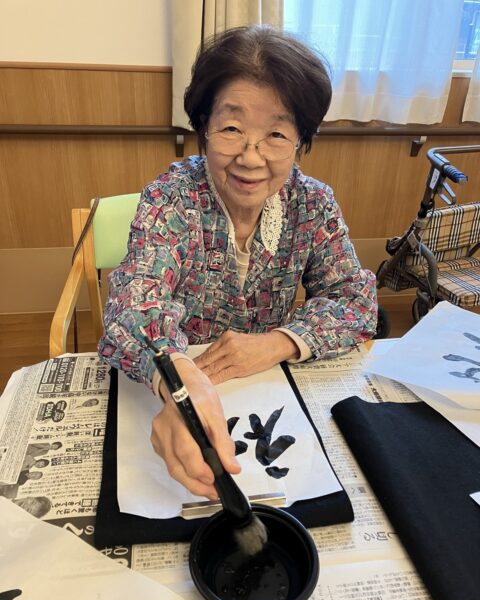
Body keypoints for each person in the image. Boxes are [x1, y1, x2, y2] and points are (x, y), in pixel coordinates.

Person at [99, 26, 377, 502]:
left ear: (300, 141)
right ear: (203, 128)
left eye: (276, 134)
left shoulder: (312, 204)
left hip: (271, 399)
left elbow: (355, 300)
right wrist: (178, 379)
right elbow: (133, 307)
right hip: (183, 392)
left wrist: (279, 342)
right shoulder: (171, 199)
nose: (251, 156)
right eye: (231, 129)